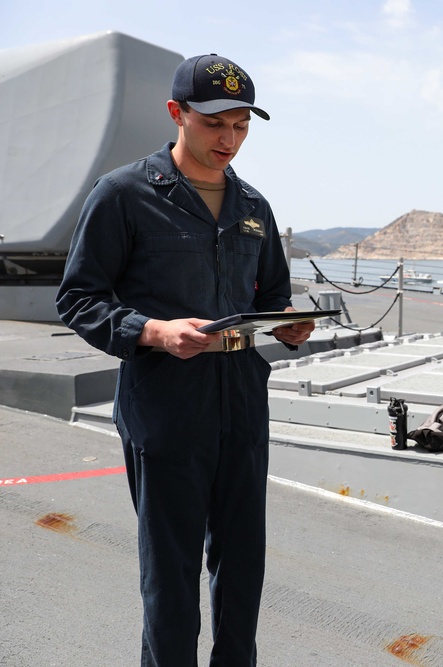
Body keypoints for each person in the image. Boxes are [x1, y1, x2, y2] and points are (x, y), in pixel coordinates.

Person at [57, 54, 314, 665]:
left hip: (243, 403)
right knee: (170, 575)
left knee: (244, 563)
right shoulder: (124, 194)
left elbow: (272, 294)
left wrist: (288, 326)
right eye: (215, 124)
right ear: (177, 114)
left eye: (241, 126)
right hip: (167, 404)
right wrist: (152, 330)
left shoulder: (254, 206)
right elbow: (79, 297)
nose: (230, 140)